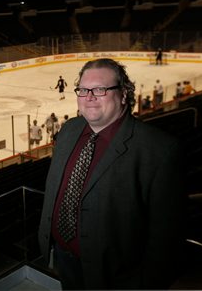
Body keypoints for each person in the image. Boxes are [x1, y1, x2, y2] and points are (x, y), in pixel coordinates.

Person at [38, 58, 185, 290]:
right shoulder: (69, 130)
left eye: (100, 89)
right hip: (64, 259)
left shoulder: (158, 150)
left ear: (124, 94)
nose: (89, 97)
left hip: (118, 275)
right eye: (83, 90)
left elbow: (166, 237)